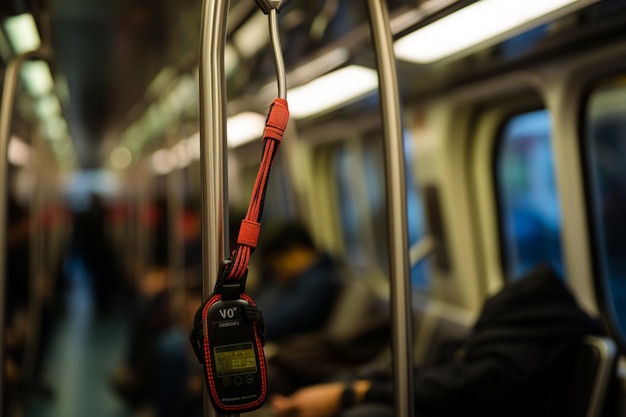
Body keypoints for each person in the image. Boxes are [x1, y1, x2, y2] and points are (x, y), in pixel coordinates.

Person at [270, 264, 606, 417]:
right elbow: (445, 375)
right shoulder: (512, 334)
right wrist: (351, 386)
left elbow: (462, 386)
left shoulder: (518, 349)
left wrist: (353, 394)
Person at [251, 221, 342, 342]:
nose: (276, 276)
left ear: (294, 253)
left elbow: (284, 320)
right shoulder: (300, 280)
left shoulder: (317, 282)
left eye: (276, 268)